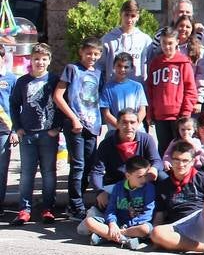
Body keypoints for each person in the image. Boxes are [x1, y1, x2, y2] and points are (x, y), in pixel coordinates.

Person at [148, 140, 204, 255]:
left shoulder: (203, 178)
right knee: (156, 232)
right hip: (179, 228)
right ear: (171, 160)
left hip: (202, 219)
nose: (180, 164)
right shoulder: (163, 184)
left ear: (192, 162)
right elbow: (159, 215)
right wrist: (155, 238)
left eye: (185, 160)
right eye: (176, 159)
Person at [8, 43, 61, 226]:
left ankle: (48, 208)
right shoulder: (22, 81)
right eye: (36, 59)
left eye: (44, 59)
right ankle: (24, 209)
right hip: (28, 134)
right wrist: (18, 127)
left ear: (49, 60)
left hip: (48, 134)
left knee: (48, 172)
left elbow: (62, 103)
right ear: (30, 60)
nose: (40, 62)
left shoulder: (54, 80)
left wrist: (57, 127)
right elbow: (14, 104)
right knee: (27, 173)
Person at [54, 38, 103, 221]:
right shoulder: (72, 69)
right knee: (78, 165)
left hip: (92, 125)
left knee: (89, 165)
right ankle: (76, 205)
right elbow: (58, 96)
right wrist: (73, 118)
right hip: (75, 124)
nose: (92, 57)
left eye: (96, 54)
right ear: (81, 52)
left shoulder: (98, 73)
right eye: (88, 53)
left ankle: (75, 202)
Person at [145, 29, 198, 152]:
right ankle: (164, 171)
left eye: (170, 43)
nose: (167, 47)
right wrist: (150, 112)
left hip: (178, 115)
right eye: (164, 43)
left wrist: (185, 113)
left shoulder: (183, 63)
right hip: (160, 115)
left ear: (177, 42)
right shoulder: (156, 63)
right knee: (163, 149)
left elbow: (190, 90)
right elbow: (150, 90)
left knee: (179, 149)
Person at [98, 51, 148, 127]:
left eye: (126, 67)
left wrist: (133, 126)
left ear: (132, 68)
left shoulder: (137, 87)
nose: (122, 69)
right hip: (116, 129)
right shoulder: (107, 88)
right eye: (119, 66)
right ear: (113, 67)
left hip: (136, 128)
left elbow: (142, 110)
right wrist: (121, 128)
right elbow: (106, 113)